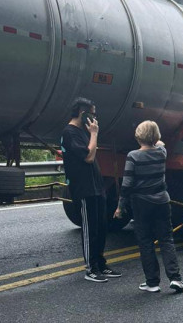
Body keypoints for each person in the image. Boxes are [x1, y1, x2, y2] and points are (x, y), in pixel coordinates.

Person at [114, 121, 183, 293]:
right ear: (155, 136)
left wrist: (120, 207)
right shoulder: (161, 153)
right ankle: (175, 278)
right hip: (162, 201)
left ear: (138, 136)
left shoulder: (133, 156)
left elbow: (127, 184)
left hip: (141, 203)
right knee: (166, 239)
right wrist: (156, 139)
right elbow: (161, 143)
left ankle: (152, 282)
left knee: (146, 241)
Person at [61, 97, 121, 283]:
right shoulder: (70, 132)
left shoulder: (82, 132)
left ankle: (101, 263)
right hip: (84, 188)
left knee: (102, 227)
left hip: (96, 186)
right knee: (90, 229)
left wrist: (91, 136)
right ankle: (91, 268)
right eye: (92, 114)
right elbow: (88, 156)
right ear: (82, 113)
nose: (95, 118)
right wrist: (94, 134)